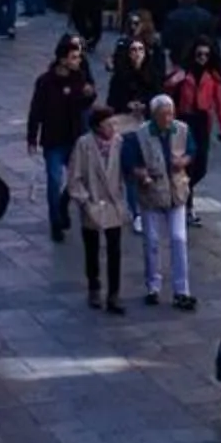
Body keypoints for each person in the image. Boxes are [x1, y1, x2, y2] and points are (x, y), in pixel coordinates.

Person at [125, 94, 197, 310]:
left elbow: (192, 150)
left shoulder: (181, 129)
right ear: (154, 115)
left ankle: (181, 290)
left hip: (176, 192)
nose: (168, 118)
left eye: (171, 113)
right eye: (164, 114)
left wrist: (183, 160)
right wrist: (141, 174)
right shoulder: (140, 135)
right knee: (152, 242)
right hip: (152, 193)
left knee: (178, 239)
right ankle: (153, 286)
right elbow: (130, 162)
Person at [25, 35, 96, 241]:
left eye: (79, 57)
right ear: (63, 59)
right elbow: (36, 109)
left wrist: (89, 95)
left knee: (77, 178)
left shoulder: (80, 78)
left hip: (75, 137)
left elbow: (85, 104)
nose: (78, 61)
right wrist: (32, 137)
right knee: (54, 180)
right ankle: (55, 221)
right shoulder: (45, 82)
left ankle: (64, 203)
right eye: (74, 57)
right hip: (54, 139)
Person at [65, 106, 132, 314]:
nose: (112, 127)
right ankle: (94, 286)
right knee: (92, 248)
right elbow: (74, 177)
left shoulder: (120, 144)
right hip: (92, 202)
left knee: (114, 250)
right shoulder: (83, 145)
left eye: (113, 123)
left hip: (113, 203)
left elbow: (126, 171)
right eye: (107, 124)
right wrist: (85, 201)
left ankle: (114, 293)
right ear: (96, 127)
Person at [167, 38, 221, 202]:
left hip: (202, 121)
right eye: (199, 54)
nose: (203, 58)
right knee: (187, 164)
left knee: (201, 166)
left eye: (206, 55)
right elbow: (165, 93)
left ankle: (183, 192)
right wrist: (173, 82)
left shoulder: (213, 76)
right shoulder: (183, 73)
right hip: (184, 119)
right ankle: (186, 202)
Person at [104, 26, 161, 116]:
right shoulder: (120, 75)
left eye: (141, 49)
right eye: (134, 50)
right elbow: (112, 100)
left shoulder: (152, 73)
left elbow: (158, 95)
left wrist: (144, 103)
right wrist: (127, 104)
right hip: (124, 116)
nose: (137, 53)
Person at [162, 0, 218, 65]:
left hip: (179, 58)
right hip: (201, 57)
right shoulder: (206, 16)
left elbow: (166, 41)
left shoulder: (172, 17)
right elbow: (212, 39)